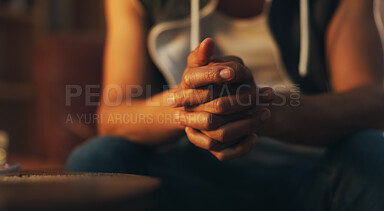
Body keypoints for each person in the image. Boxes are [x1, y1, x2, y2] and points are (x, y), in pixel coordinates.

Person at [66, 0, 384, 210]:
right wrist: (191, 104)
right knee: (97, 160)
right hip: (195, 178)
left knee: (373, 152)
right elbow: (114, 116)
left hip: (315, 174)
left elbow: (370, 101)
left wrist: (261, 111)